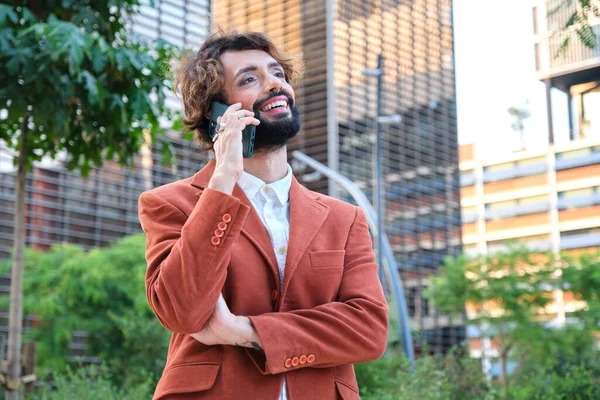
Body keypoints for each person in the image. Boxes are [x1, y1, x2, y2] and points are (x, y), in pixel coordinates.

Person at [138, 30, 388, 400]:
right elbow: (183, 312)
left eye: (278, 74)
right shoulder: (171, 204)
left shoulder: (343, 218)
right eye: (249, 79)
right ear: (215, 111)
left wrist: (243, 330)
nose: (274, 84)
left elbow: (369, 330)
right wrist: (223, 180)